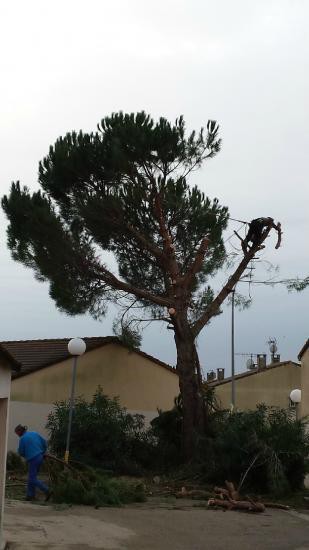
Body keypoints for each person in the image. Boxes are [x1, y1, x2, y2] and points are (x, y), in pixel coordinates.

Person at [15, 424, 51, 501]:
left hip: (33, 459)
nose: (17, 435)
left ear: (19, 431)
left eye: (17, 433)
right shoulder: (34, 433)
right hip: (40, 457)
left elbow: (21, 452)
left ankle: (47, 490)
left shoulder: (22, 439)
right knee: (32, 477)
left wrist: (23, 454)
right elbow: (44, 442)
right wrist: (43, 452)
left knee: (32, 479)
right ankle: (30, 495)